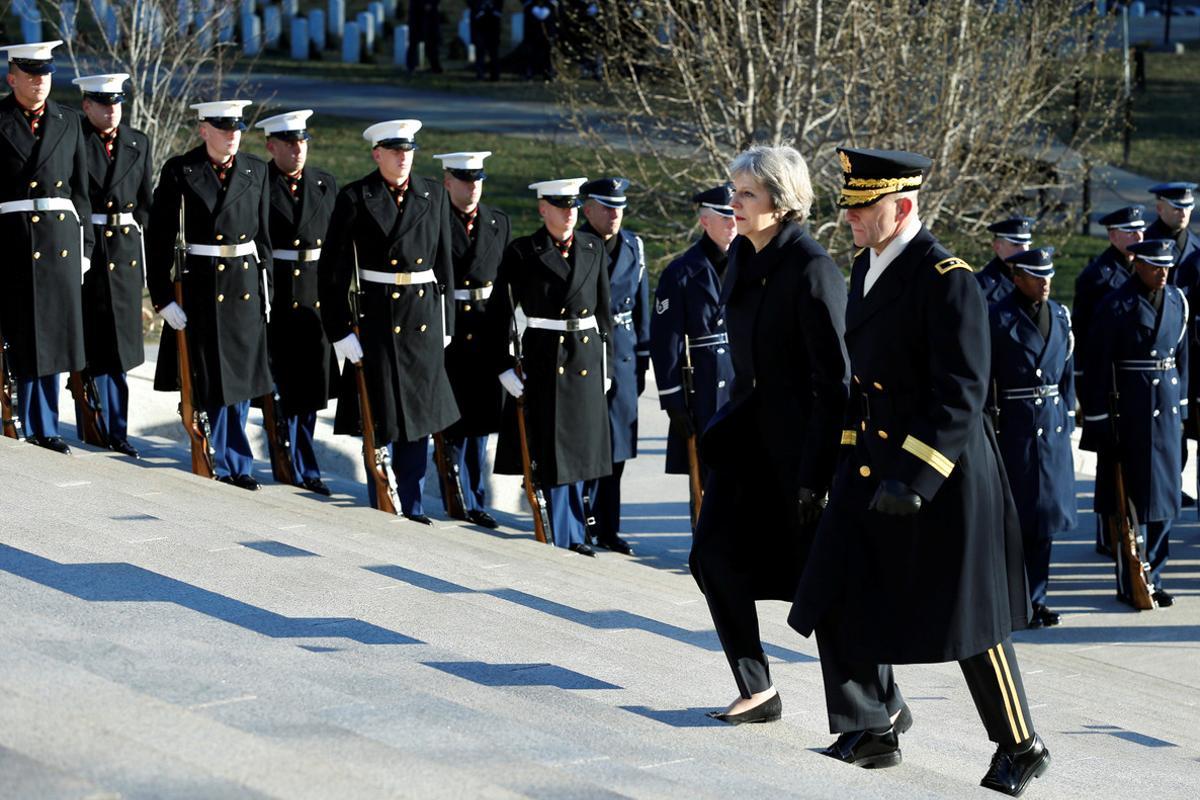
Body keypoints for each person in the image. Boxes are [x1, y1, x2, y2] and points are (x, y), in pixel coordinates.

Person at [789, 147, 1049, 797]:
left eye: (861, 208)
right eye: (847, 207)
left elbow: (962, 392)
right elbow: (862, 386)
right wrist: (829, 468)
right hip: (872, 462)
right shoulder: (865, 266)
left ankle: (1021, 744)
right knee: (835, 583)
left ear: (901, 207)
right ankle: (871, 725)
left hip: (947, 475)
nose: (848, 219)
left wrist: (918, 478)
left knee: (969, 618)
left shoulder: (946, 277)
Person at [691, 146, 849, 725]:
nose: (733, 203)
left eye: (746, 194)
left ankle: (881, 706)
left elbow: (836, 384)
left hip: (798, 458)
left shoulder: (812, 270)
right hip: (747, 446)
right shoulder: (743, 259)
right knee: (712, 558)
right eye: (733, 191)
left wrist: (817, 474)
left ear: (780, 204)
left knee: (823, 589)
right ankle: (756, 687)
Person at [318, 119, 460, 524]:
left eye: (408, 151)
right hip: (377, 317)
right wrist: (339, 329)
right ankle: (382, 495)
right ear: (377, 153)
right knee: (378, 414)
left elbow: (444, 263)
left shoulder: (432, 193)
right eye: (394, 151)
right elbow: (333, 271)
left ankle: (411, 503)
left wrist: (445, 320)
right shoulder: (356, 197)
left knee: (417, 418)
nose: (402, 158)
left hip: (422, 318)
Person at [148, 100, 274, 490]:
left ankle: (236, 460)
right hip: (202, 285)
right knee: (213, 378)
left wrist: (265, 288)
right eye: (223, 127)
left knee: (241, 379)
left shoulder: (256, 170)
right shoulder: (181, 170)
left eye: (236, 127)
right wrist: (163, 297)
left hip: (244, 288)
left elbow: (264, 239)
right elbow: (159, 239)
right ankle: (228, 458)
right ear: (204, 130)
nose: (232, 134)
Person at [485, 177, 614, 556]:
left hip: (586, 358)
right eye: (561, 206)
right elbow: (499, 315)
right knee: (554, 454)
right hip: (546, 357)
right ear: (544, 209)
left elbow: (604, 313)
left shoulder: (592, 247)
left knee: (582, 453)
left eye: (574, 206)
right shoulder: (524, 252)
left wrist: (605, 365)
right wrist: (504, 367)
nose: (569, 213)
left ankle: (578, 529)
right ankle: (563, 533)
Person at [1081, 238, 1187, 610]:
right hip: (1132, 414)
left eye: (1167, 267)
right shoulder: (1116, 306)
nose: (1162, 273)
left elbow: (1182, 359)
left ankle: (1154, 574)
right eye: (1155, 266)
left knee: (1165, 500)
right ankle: (1132, 578)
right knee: (1131, 504)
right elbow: (1097, 370)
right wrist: (1099, 424)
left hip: (1167, 414)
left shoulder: (1178, 300)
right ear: (1138, 264)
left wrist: (1183, 413)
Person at [0, 40, 94, 455]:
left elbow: (80, 191)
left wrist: (86, 246)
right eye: (31, 74)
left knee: (52, 335)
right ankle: (17, 413)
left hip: (59, 241)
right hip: (13, 238)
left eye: (46, 74)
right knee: (21, 332)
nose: (40, 82)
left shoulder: (69, 120)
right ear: (12, 77)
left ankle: (45, 425)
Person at [988, 247, 1076, 629]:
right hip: (1014, 427)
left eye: (1049, 276)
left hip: (1051, 427)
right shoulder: (998, 318)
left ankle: (1037, 598)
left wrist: (1069, 417)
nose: (1045, 283)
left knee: (1045, 522)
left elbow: (1067, 372)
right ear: (1016, 277)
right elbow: (986, 378)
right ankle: (1013, 602)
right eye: (1036, 277)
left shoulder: (1059, 315)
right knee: (1015, 522)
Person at [254, 109, 338, 495]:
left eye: (302, 141)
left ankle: (306, 462)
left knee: (310, 388)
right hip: (279, 291)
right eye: (289, 143)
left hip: (314, 299)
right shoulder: (259, 182)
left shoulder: (324, 183)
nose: (297, 149)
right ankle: (283, 457)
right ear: (272, 146)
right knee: (279, 386)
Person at [72, 73, 152, 460]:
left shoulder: (138, 142)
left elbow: (146, 205)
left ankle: (116, 430)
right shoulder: (73, 137)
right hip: (87, 248)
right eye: (103, 104)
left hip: (124, 253)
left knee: (119, 349)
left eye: (116, 103)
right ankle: (89, 419)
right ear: (87, 106)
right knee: (88, 343)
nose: (111, 110)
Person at [433, 150, 512, 529]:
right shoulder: (435, 219)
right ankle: (456, 492)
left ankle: (476, 498)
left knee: (480, 422)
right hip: (450, 329)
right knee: (453, 422)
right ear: (448, 182)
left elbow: (507, 286)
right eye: (465, 180)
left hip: (486, 329)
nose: (473, 187)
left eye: (478, 179)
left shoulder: (498, 221)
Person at [649, 183, 736, 499]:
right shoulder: (681, 272)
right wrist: (673, 401)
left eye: (735, 217)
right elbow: (665, 342)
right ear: (704, 221)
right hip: (703, 388)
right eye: (724, 218)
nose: (733, 225)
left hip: (742, 384)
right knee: (706, 483)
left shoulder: (751, 263)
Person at [578, 177, 648, 556]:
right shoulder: (577, 243)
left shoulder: (634, 246)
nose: (614, 214)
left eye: (619, 207)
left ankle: (609, 527)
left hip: (622, 353)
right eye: (606, 207)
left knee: (617, 450)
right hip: (587, 350)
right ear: (587, 209)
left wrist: (642, 361)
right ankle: (583, 520)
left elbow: (641, 308)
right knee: (587, 444)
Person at [1073, 205, 1146, 554]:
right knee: (1109, 462)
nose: (1138, 237)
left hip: (1135, 384)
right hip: (1108, 382)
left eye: (1140, 231)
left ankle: (1131, 527)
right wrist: (1088, 395)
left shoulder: (1144, 268)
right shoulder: (1096, 277)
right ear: (1113, 236)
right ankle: (1108, 532)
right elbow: (1085, 338)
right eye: (1130, 233)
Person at [1145, 182, 1199, 508]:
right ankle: (1166, 485)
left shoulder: (1195, 247)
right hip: (1158, 350)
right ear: (1159, 207)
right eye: (1176, 206)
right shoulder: (1145, 244)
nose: (1183, 212)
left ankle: (1175, 485)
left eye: (1187, 206)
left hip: (1192, 352)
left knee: (1186, 422)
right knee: (1163, 428)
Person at [975, 216, 1034, 308]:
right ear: (997, 247)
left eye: (1027, 244)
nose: (1024, 250)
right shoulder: (979, 285)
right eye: (1016, 244)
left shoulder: (1037, 281)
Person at [523, 1, 559, 81]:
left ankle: (549, 71)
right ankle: (530, 71)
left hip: (548, 28)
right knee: (531, 51)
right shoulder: (530, 5)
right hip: (532, 29)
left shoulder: (551, 4)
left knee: (549, 51)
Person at [470, 0, 505, 81]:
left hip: (493, 22)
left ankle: (495, 75)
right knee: (480, 49)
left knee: (494, 51)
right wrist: (479, 10)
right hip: (480, 22)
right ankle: (480, 73)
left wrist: (495, 10)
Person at [407, 0, 444, 74]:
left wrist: (431, 3)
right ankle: (411, 66)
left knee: (432, 40)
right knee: (413, 40)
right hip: (416, 10)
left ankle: (435, 66)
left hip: (431, 12)